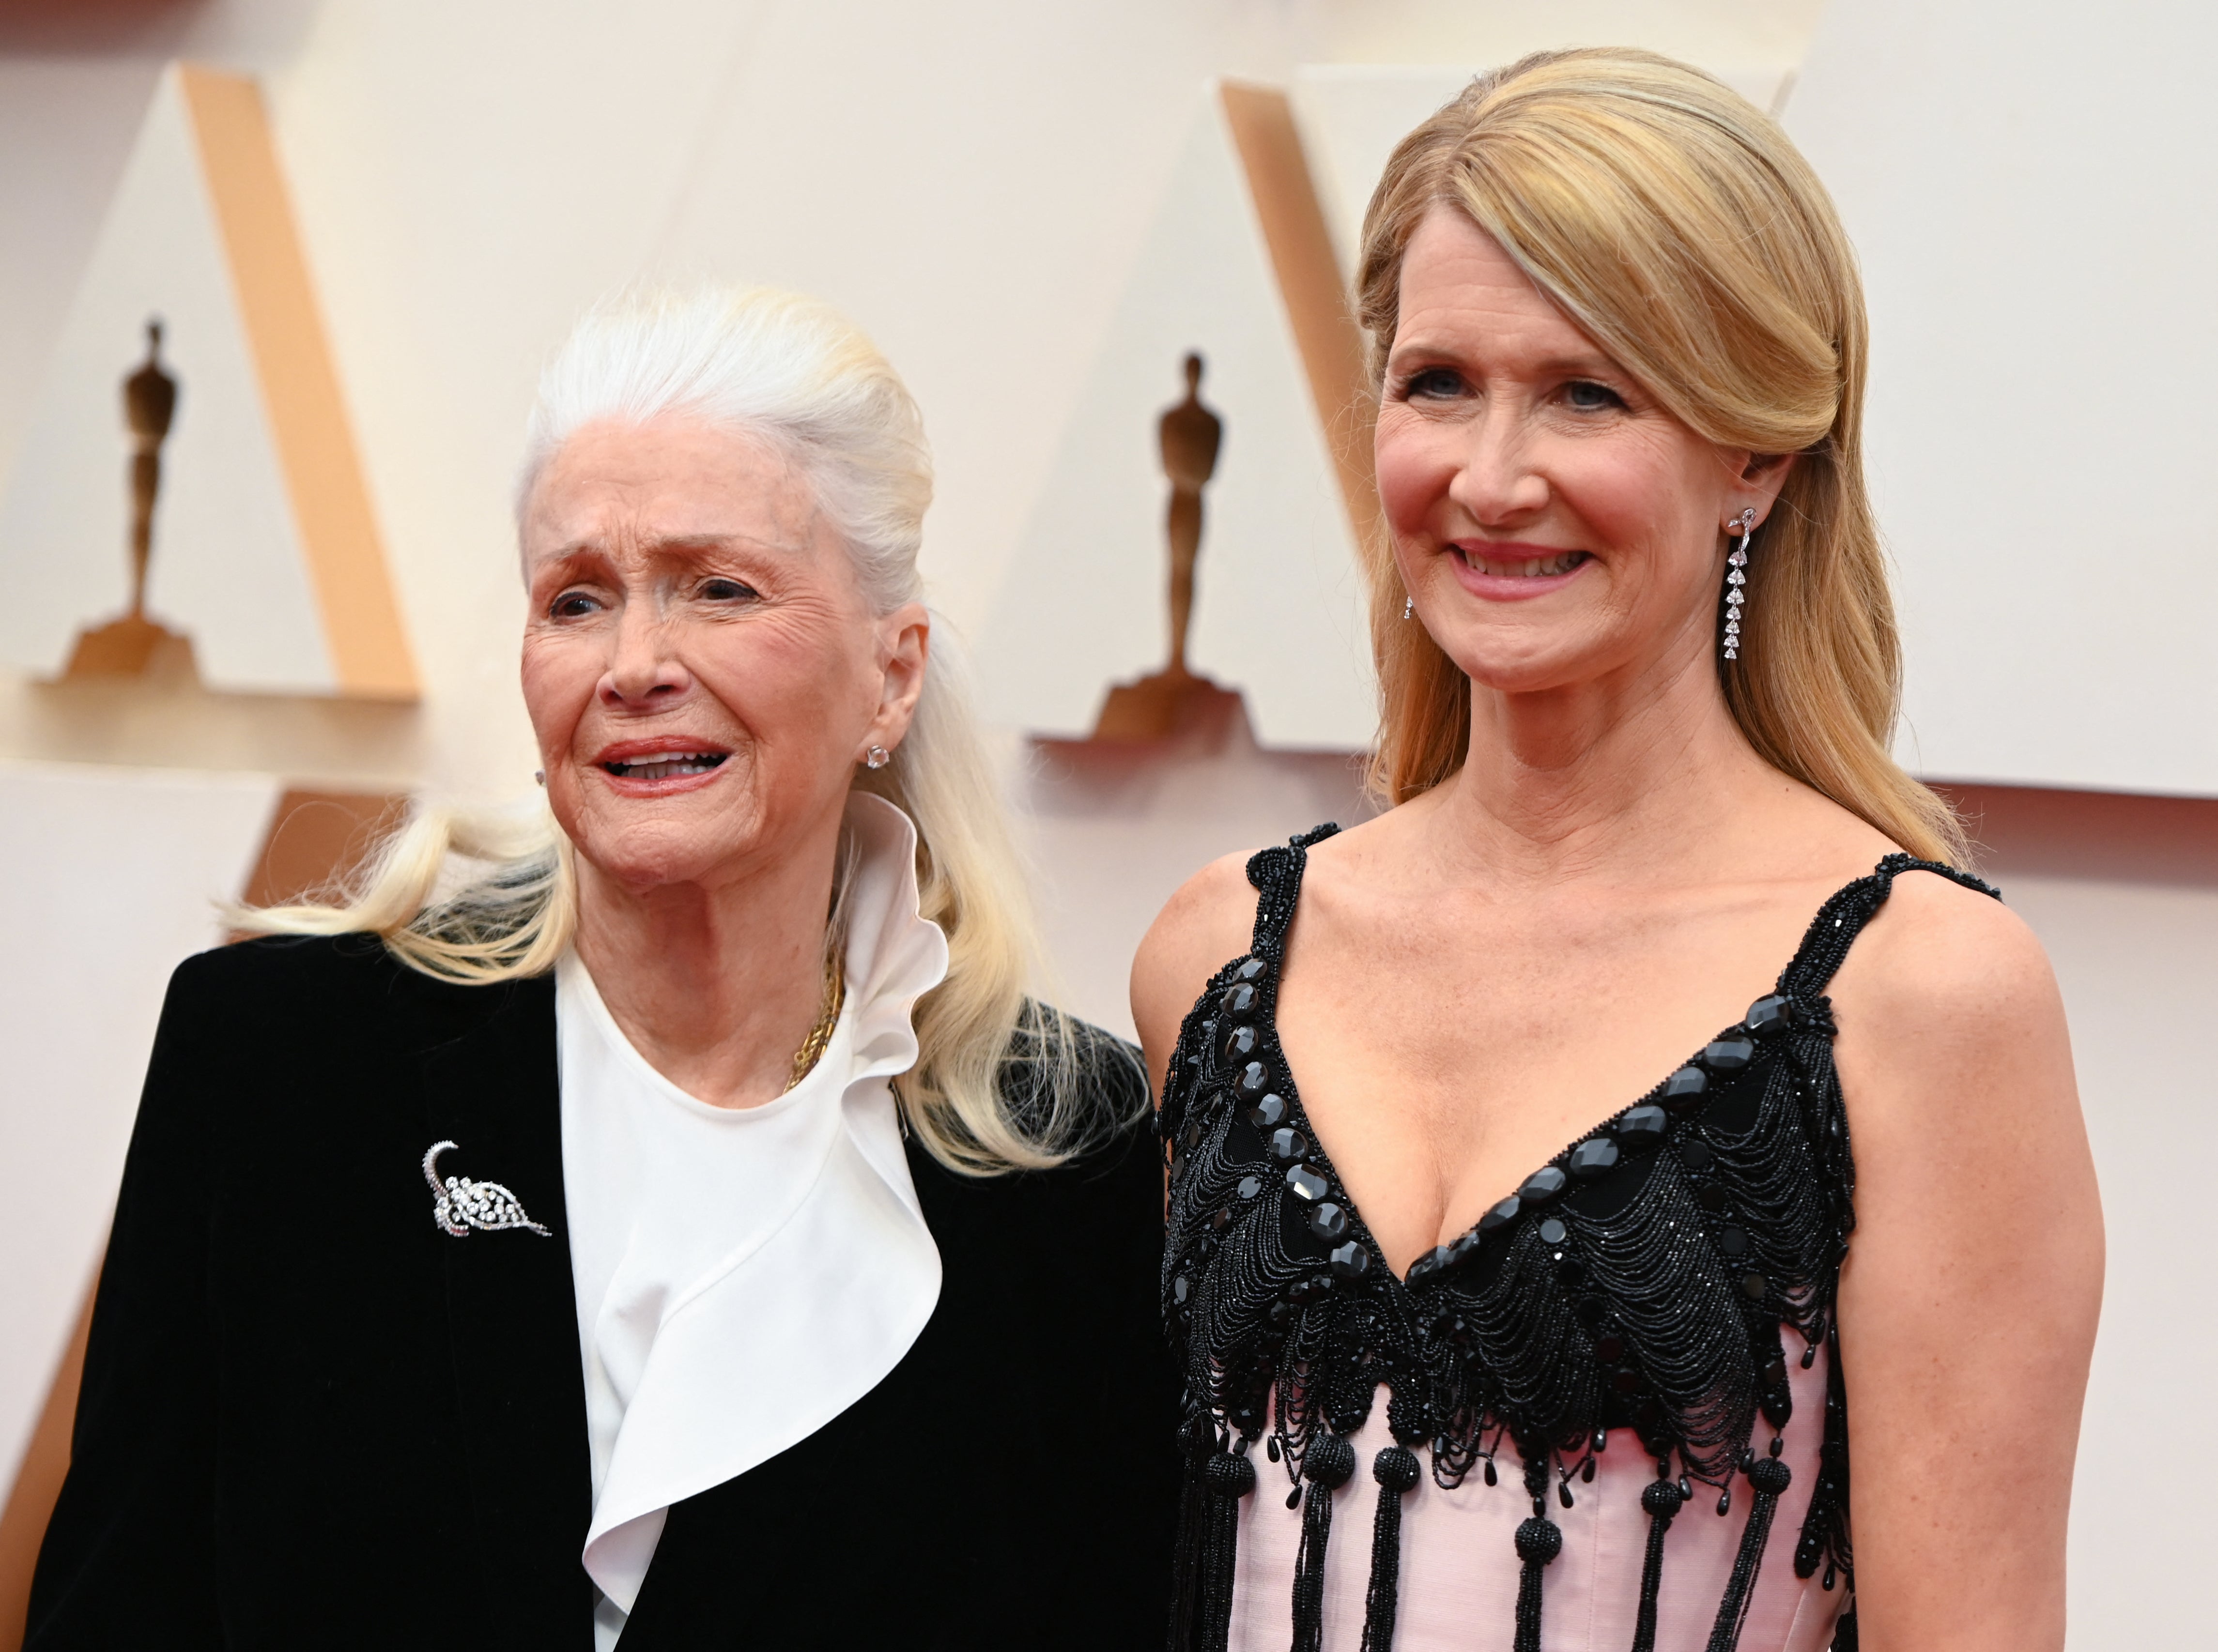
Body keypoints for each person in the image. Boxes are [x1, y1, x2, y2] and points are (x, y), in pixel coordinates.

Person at [30, 287, 1175, 1650]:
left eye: (719, 588)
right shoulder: (276, 1060)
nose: (634, 663)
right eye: (577, 598)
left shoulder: (1069, 1151)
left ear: (892, 673)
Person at [1133, 49, 2100, 1652]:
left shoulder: (1917, 999)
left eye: (1588, 392)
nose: (1491, 477)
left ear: (1756, 456)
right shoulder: (1218, 954)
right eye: (1437, 380)